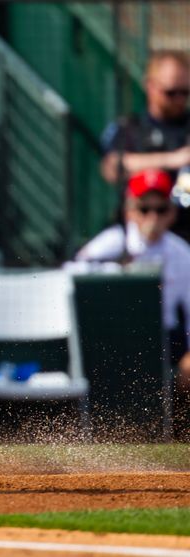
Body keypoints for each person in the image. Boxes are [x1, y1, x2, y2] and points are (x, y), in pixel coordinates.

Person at [74, 169, 190, 438]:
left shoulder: (180, 252)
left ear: (171, 213)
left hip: (166, 340)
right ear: (130, 210)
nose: (152, 217)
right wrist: (117, 270)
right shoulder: (116, 240)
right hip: (115, 338)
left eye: (160, 209)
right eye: (144, 208)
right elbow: (75, 270)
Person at [100, 51, 190, 242]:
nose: (180, 100)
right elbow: (112, 167)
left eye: (185, 92)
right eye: (171, 93)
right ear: (150, 86)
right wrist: (172, 159)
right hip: (140, 238)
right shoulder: (130, 128)